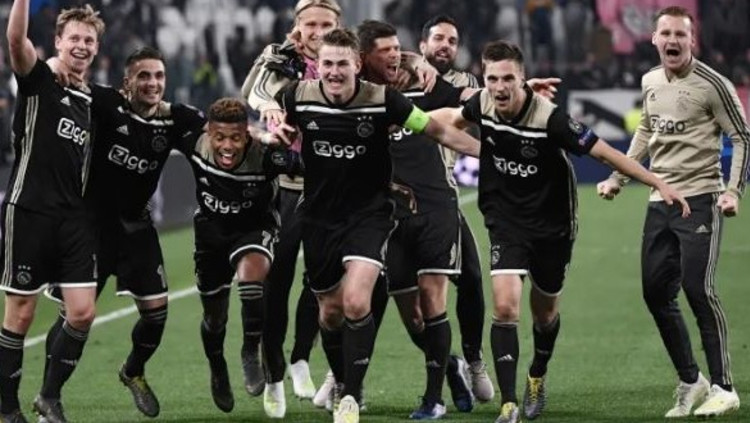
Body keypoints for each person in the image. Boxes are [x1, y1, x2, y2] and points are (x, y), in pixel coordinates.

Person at [431, 40, 690, 423]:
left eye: (508, 79)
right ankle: (508, 404)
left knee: (545, 312)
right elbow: (450, 118)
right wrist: (403, 117)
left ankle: (537, 374)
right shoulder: (482, 103)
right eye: (492, 79)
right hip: (506, 222)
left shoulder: (550, 119)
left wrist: (658, 182)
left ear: (522, 79)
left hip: (552, 228)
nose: (499, 87)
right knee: (505, 306)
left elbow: (605, 152)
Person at [272, 28, 480, 423]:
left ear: (356, 65)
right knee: (330, 314)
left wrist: (491, 154)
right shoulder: (298, 96)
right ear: (319, 66)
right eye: (327, 64)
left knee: (356, 301)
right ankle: (343, 381)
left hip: (369, 215)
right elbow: (279, 123)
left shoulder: (385, 100)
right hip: (319, 218)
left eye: (342, 64)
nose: (334, 72)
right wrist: (275, 133)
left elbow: (435, 129)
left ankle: (351, 395)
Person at [597, 6, 747, 418]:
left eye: (680, 34)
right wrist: (618, 176)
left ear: (692, 39)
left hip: (700, 198)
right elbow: (646, 129)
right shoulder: (650, 81)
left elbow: (741, 136)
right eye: (666, 33)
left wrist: (732, 191)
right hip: (658, 200)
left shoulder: (714, 84)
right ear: (654, 38)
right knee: (655, 293)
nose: (673, 40)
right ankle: (691, 379)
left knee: (699, 290)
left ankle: (725, 386)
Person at [43, 46, 206, 419]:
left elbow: (221, 130)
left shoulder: (174, 118)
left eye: (159, 76)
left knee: (156, 315)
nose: (153, 83)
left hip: (137, 227)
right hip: (90, 227)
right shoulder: (105, 103)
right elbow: (64, 82)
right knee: (74, 316)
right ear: (127, 82)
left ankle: (132, 371)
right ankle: (48, 397)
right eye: (144, 76)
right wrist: (53, 62)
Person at [0, 2, 104, 423]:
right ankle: (7, 409)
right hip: (29, 210)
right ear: (58, 41)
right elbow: (14, 40)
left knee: (82, 312)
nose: (81, 45)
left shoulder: (92, 99)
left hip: (73, 219)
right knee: (21, 314)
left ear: (97, 48)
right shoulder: (40, 79)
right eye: (74, 38)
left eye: (89, 40)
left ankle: (49, 397)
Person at [177, 97, 300, 418]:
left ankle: (250, 349)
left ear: (247, 134)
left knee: (251, 282)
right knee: (214, 318)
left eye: (235, 137)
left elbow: (314, 167)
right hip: (211, 234)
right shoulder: (193, 144)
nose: (228, 146)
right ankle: (217, 366)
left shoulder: (267, 157)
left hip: (254, 230)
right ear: (209, 133)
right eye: (220, 138)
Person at [418, 13, 494, 404]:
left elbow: (480, 107)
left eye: (452, 40)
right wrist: (413, 65)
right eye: (438, 39)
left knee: (472, 278)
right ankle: (341, 375)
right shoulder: (399, 75)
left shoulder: (465, 84)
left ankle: (475, 360)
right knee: (375, 291)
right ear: (422, 45)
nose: (446, 45)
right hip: (389, 200)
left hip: (441, 196)